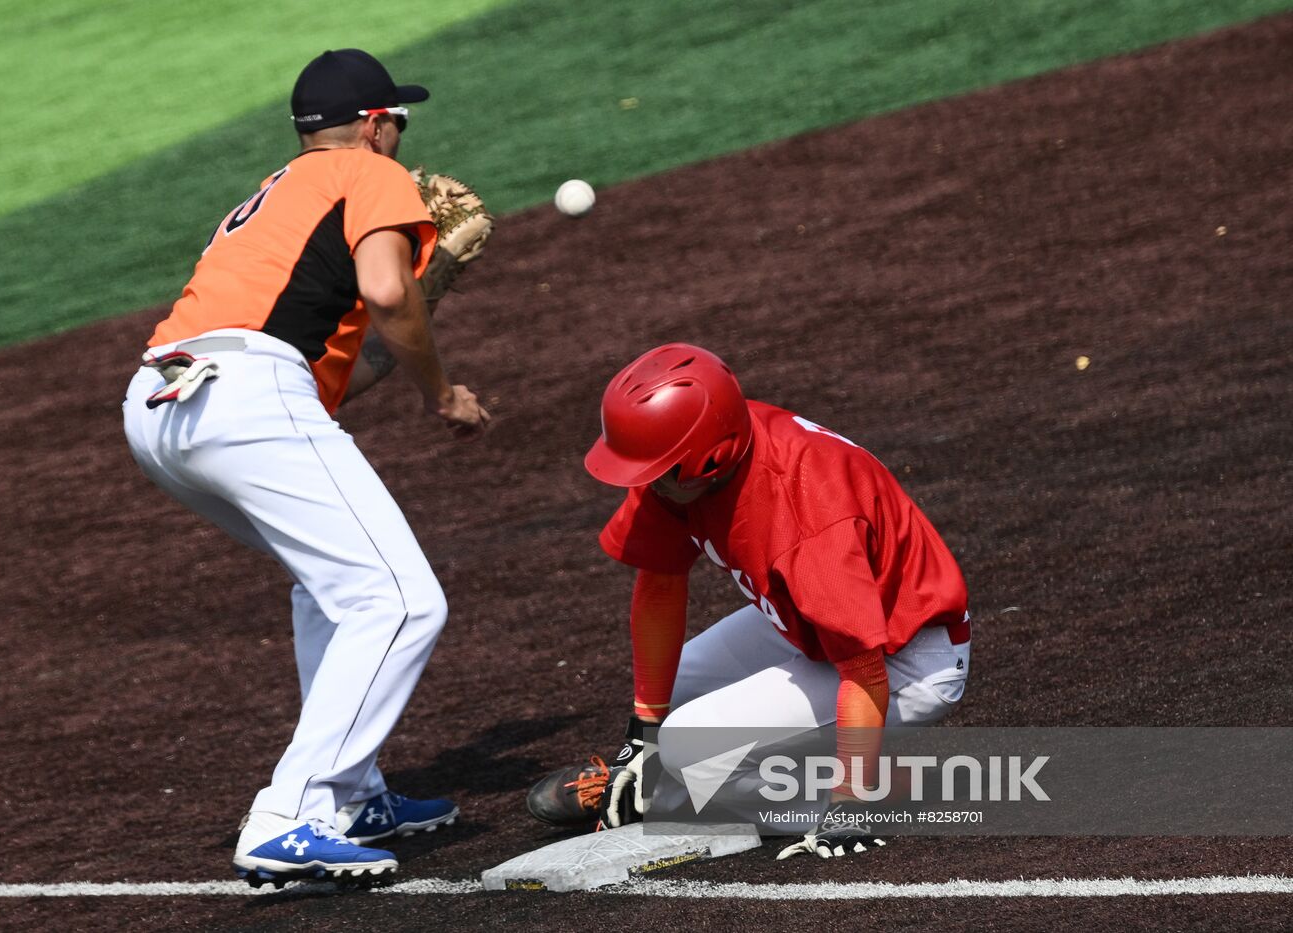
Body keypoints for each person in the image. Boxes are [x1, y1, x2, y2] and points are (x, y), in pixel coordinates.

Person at [122, 48, 490, 888]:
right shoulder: (368, 173)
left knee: (331, 584)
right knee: (402, 601)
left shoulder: (276, 198)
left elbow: (324, 387)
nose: (400, 136)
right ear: (373, 123)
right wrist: (445, 393)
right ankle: (290, 812)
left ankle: (352, 796)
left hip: (162, 405)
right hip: (245, 395)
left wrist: (421, 306)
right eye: (398, 121)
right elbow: (387, 297)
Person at [528, 343, 970, 860]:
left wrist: (850, 803)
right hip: (808, 620)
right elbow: (661, 582)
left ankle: (875, 794)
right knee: (677, 694)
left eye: (655, 470)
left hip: (907, 657)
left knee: (689, 742)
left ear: (708, 460)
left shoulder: (807, 510)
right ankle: (654, 783)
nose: (644, 483)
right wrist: (641, 734)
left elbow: (865, 671)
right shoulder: (696, 449)